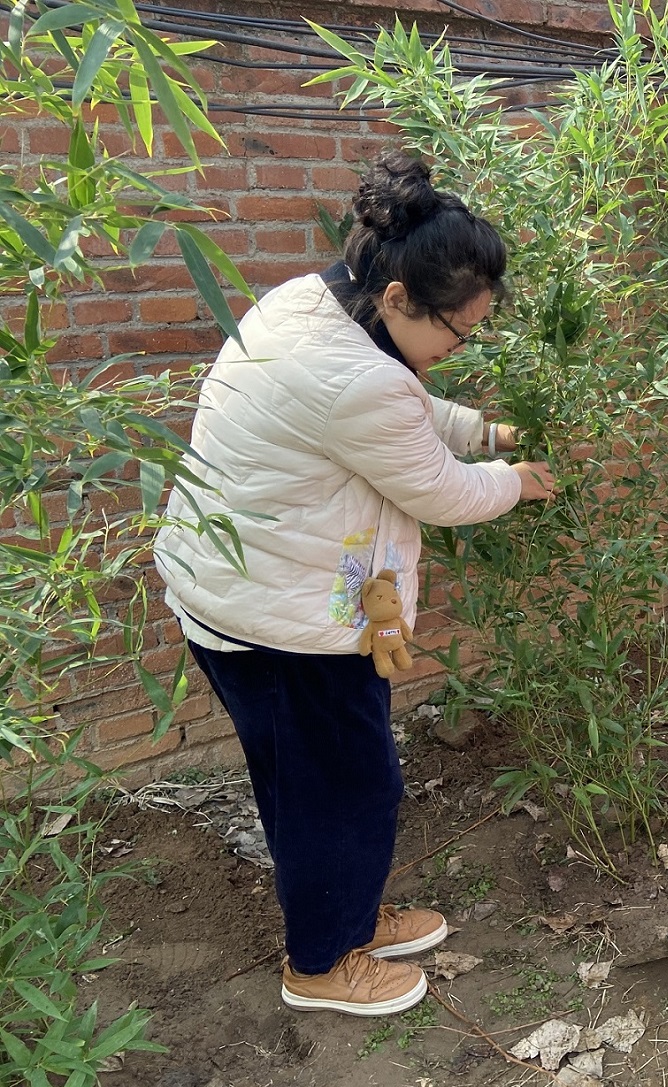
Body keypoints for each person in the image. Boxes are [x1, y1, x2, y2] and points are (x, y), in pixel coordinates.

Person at [154, 152, 554, 1017]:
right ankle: (323, 962)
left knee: (316, 783)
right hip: (280, 626)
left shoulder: (313, 302)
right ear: (400, 297)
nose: (459, 349)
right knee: (344, 789)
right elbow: (439, 489)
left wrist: (482, 429)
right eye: (458, 333)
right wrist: (514, 478)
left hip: (249, 594)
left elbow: (400, 399)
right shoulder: (361, 379)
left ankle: (349, 915)